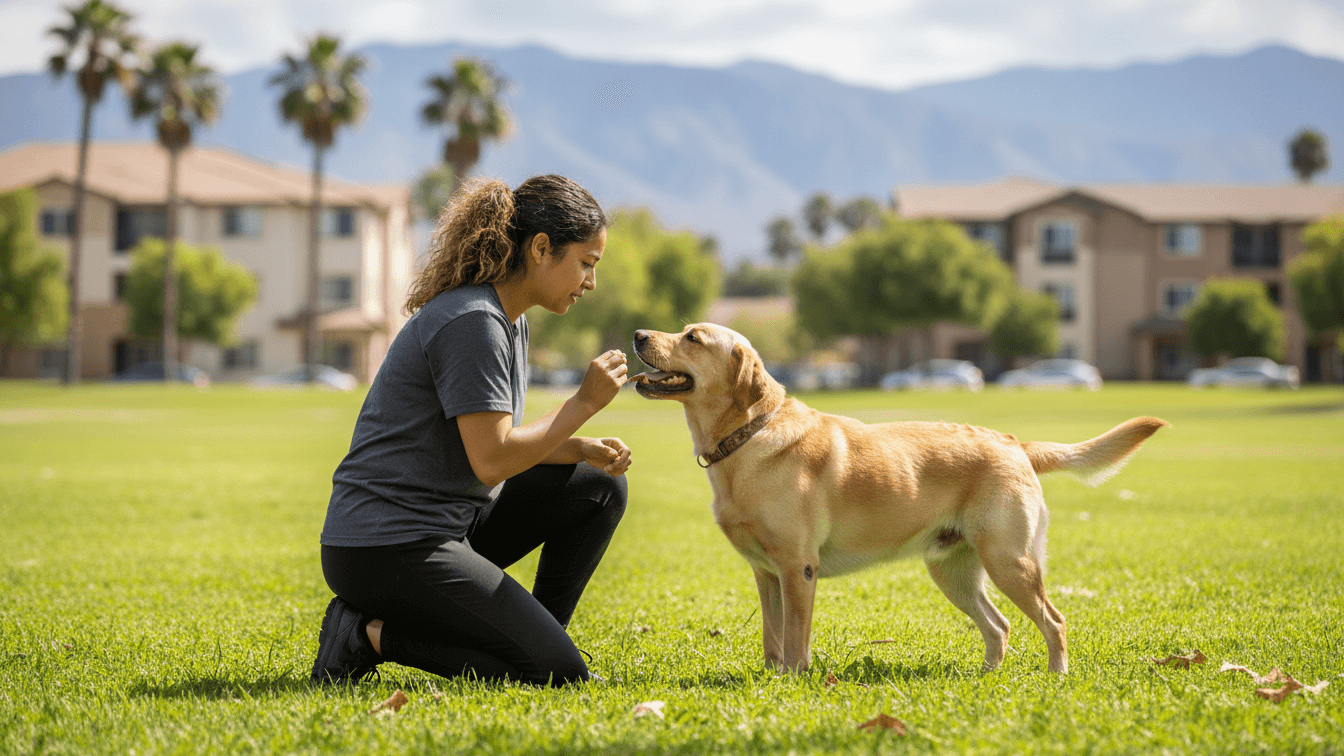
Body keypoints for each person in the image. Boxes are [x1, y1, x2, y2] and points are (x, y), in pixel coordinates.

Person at [312, 174, 631, 687]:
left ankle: (544, 634)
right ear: (542, 248)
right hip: (384, 546)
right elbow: (492, 460)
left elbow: (486, 437)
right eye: (586, 264)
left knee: (598, 486)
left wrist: (576, 448)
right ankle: (363, 634)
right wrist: (584, 404)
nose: (590, 282)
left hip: (449, 522)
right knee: (556, 673)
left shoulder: (509, 318)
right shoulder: (473, 320)